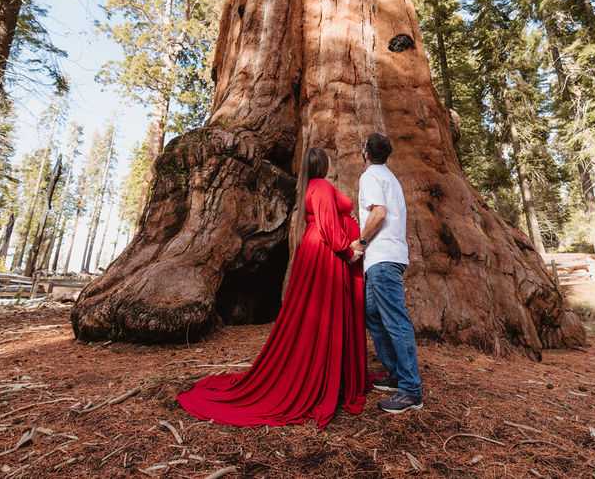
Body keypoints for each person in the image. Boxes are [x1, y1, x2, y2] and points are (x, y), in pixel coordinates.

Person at [176, 147, 367, 428]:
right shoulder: (322, 187)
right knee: (323, 316)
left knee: (314, 318)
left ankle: (324, 368)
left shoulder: (309, 188)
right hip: (327, 254)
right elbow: (328, 224)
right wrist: (349, 251)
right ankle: (321, 374)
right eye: (327, 159)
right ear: (321, 165)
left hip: (315, 253)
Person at [350, 133, 423, 414]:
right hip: (385, 259)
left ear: (366, 153)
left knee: (394, 320)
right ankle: (396, 374)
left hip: (382, 258)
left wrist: (361, 242)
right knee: (373, 314)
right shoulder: (389, 177)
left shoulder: (370, 176)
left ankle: (410, 390)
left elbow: (378, 213)